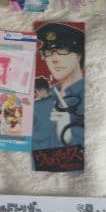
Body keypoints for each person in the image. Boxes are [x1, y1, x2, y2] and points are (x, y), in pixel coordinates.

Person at [33, 23, 85, 151]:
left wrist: (67, 135)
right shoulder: (46, 94)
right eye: (48, 52)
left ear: (79, 54)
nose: (54, 59)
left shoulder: (90, 95)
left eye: (62, 50)